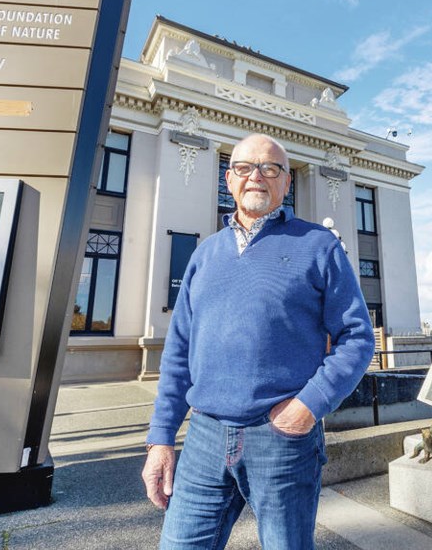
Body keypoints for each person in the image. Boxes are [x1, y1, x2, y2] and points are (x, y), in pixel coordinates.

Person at [141, 133, 375, 549]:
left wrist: (308, 406)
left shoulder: (318, 246)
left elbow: (356, 337)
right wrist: (161, 439)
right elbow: (178, 352)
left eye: (271, 168)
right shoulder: (204, 255)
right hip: (205, 438)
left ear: (286, 183)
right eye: (245, 168)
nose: (257, 177)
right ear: (229, 180)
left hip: (281, 440)